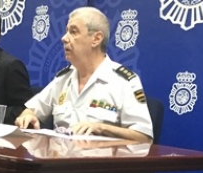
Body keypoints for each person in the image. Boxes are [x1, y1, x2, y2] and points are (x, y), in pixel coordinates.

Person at [15, 7, 153, 143]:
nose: (64, 38)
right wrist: (28, 115)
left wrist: (101, 128)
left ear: (96, 39)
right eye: (67, 32)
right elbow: (32, 109)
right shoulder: (63, 78)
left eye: (73, 32)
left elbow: (144, 136)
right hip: (61, 155)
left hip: (100, 157)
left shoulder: (124, 81)